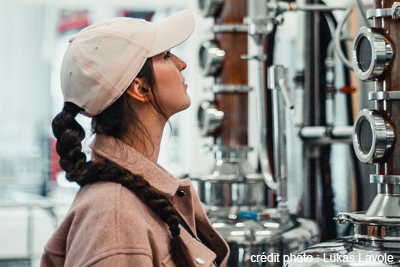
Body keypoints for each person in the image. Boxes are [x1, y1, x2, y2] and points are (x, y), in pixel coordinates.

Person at [40, 9, 229, 267]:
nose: (181, 63)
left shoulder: (128, 199)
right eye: (165, 55)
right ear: (139, 88)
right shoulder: (114, 220)